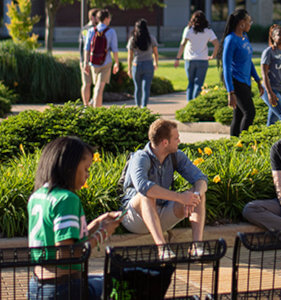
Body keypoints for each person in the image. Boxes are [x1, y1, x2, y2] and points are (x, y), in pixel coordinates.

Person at [27, 136, 123, 300]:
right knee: (120, 283)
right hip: (64, 288)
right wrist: (102, 234)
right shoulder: (66, 199)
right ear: (70, 166)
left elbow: (64, 237)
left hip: (38, 286)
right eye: (86, 169)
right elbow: (67, 253)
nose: (87, 175)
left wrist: (97, 224)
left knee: (101, 280)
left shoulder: (38, 196)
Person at [120, 119, 208, 259]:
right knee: (146, 195)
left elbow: (201, 178)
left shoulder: (176, 156)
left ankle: (196, 247)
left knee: (198, 194)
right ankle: (162, 249)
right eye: (176, 138)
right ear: (165, 142)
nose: (179, 140)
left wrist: (195, 194)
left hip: (162, 213)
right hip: (135, 218)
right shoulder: (140, 157)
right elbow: (143, 186)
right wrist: (180, 197)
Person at [221, 9, 264, 137]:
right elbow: (226, 66)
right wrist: (230, 92)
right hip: (235, 81)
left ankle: (234, 143)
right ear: (241, 23)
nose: (250, 23)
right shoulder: (231, 39)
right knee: (250, 112)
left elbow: (248, 61)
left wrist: (257, 80)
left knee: (239, 114)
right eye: (249, 21)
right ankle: (243, 142)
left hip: (245, 80)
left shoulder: (245, 37)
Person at [174, 11, 219, 101]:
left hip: (189, 60)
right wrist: (213, 56)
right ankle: (195, 104)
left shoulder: (188, 30)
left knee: (190, 83)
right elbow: (217, 44)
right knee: (198, 84)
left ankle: (189, 104)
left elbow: (182, 44)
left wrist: (177, 58)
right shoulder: (208, 31)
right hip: (203, 60)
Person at [83, 9, 119, 108]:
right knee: (99, 88)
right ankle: (96, 110)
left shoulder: (91, 31)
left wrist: (86, 62)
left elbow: (86, 48)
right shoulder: (111, 32)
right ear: (107, 19)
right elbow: (114, 49)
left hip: (93, 62)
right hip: (105, 62)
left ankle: (91, 106)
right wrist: (116, 62)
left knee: (95, 87)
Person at [127, 19, 159, 108]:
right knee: (146, 88)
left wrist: (129, 69)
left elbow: (130, 56)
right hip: (148, 64)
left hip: (136, 64)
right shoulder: (151, 38)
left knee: (137, 88)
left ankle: (137, 106)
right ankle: (144, 106)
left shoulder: (133, 39)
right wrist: (156, 63)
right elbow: (155, 53)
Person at [79, 8, 99, 106]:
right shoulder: (86, 29)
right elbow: (84, 46)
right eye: (97, 16)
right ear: (92, 17)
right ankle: (86, 105)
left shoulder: (99, 28)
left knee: (97, 84)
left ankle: (92, 103)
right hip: (86, 60)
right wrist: (84, 61)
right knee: (87, 83)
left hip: (96, 60)